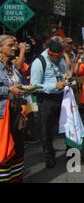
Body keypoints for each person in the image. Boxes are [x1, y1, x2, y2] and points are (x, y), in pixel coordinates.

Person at [30, 36, 69, 169]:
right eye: (54, 57)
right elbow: (33, 86)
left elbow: (65, 73)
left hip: (62, 97)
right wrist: (53, 86)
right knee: (46, 130)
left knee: (68, 126)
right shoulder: (39, 62)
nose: (57, 59)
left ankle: (72, 152)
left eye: (59, 56)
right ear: (49, 52)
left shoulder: (62, 58)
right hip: (47, 100)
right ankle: (49, 156)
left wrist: (67, 81)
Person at [0, 35, 26, 182]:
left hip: (16, 113)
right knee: (4, 150)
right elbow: (10, 89)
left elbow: (20, 87)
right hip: (2, 115)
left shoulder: (12, 66)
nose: (14, 47)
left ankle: (16, 179)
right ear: (1, 48)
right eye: (10, 45)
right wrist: (10, 91)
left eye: (15, 44)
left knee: (17, 149)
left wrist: (26, 103)